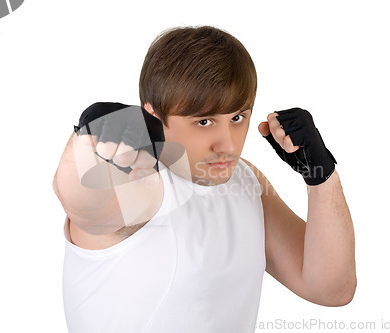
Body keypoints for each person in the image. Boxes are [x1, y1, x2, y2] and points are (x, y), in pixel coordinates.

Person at [53, 25, 356, 333]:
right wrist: (88, 144)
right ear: (152, 116)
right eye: (204, 121)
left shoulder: (245, 180)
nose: (227, 144)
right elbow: (81, 203)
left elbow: (331, 289)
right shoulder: (141, 182)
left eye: (237, 118)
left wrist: (321, 175)